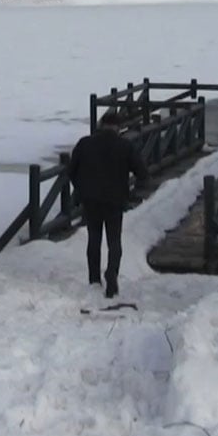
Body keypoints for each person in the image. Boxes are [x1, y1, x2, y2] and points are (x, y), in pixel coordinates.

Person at [68, 110, 148, 299]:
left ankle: (94, 279)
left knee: (94, 239)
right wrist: (134, 193)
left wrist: (81, 188)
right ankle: (112, 274)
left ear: (101, 124)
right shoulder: (125, 146)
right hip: (115, 200)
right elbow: (143, 174)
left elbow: (71, 171)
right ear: (118, 127)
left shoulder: (85, 143)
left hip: (91, 200)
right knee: (114, 241)